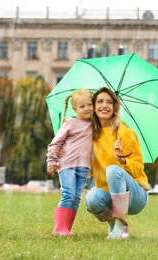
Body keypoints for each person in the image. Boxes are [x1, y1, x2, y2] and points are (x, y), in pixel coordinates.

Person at [84, 87, 149, 239]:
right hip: (108, 196)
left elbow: (139, 168)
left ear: (114, 108)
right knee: (91, 198)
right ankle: (114, 226)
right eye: (100, 101)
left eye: (109, 102)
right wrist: (68, 153)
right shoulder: (90, 136)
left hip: (135, 196)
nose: (104, 105)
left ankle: (121, 226)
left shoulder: (125, 132)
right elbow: (87, 172)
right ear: (94, 107)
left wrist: (122, 160)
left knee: (113, 170)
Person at [46, 88, 93, 236]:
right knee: (68, 194)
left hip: (84, 167)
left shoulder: (94, 125)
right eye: (82, 106)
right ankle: (58, 228)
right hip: (67, 165)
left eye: (89, 105)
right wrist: (51, 161)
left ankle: (66, 228)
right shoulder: (70, 123)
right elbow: (55, 143)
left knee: (76, 198)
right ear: (75, 108)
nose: (87, 108)